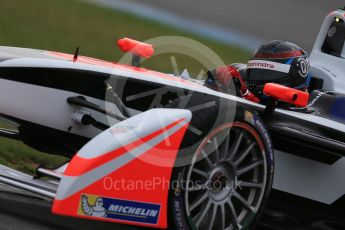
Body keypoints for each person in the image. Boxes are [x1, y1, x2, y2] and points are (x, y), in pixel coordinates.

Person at [205, 40, 311, 104]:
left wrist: (245, 94)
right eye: (257, 72)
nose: (259, 79)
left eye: (269, 73)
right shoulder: (240, 75)